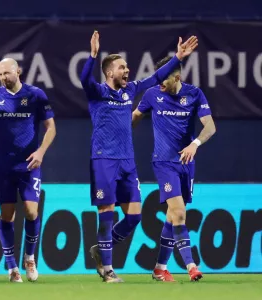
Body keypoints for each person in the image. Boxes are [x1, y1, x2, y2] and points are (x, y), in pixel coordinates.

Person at [80, 30, 198, 283]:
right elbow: (84, 79)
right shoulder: (98, 92)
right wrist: (92, 56)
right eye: (122, 67)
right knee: (107, 211)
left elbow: (155, 76)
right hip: (104, 160)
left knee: (134, 216)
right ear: (109, 72)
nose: (127, 70)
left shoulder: (129, 91)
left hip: (127, 161)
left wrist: (178, 58)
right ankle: (109, 270)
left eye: (127, 67)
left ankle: (102, 248)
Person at [132, 56, 216, 282]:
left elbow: (210, 126)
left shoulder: (194, 94)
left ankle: (159, 268)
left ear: (177, 77)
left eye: (164, 79)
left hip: (186, 163)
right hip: (163, 162)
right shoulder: (152, 94)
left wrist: (195, 144)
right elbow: (135, 117)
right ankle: (191, 265)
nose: (159, 82)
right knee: (179, 213)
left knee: (172, 216)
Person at [0, 58, 56, 282]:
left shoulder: (36, 95)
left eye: (7, 73)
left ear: (18, 71)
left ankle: (29, 257)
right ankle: (12, 267)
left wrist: (41, 152)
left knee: (32, 212)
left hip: (29, 165)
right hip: (3, 166)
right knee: (8, 215)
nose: (3, 78)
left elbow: (51, 128)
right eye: (0, 74)